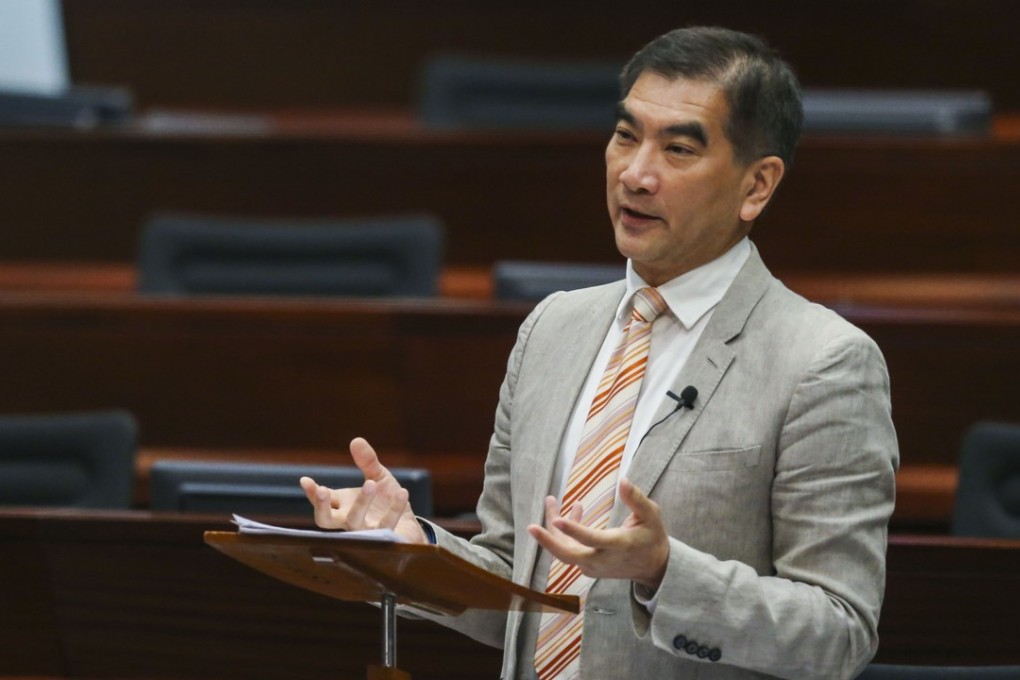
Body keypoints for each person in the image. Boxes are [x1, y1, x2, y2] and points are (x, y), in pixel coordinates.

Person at [301, 26, 898, 680]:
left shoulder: (823, 361)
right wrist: (408, 548)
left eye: (677, 148)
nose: (636, 174)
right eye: (625, 136)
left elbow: (838, 632)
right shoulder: (552, 329)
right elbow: (518, 587)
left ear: (757, 186)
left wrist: (664, 571)